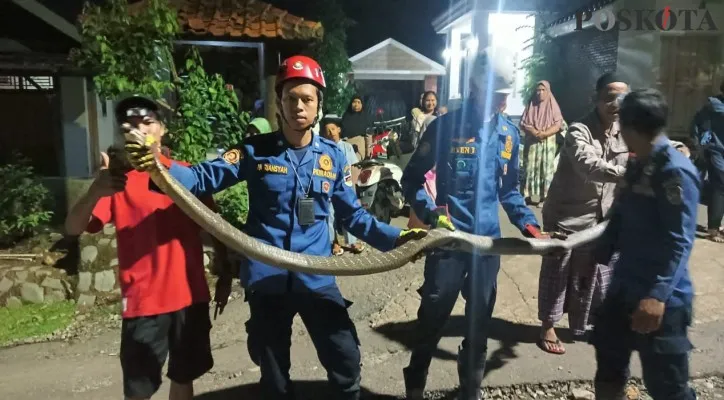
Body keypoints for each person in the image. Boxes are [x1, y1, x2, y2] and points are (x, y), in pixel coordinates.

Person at [123, 55, 426, 400]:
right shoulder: (255, 151)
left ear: (318, 106)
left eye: (307, 99)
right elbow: (201, 178)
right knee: (274, 377)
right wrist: (158, 165)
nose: (298, 105)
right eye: (290, 97)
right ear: (280, 103)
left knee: (345, 360)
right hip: (267, 277)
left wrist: (401, 240)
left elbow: (355, 218)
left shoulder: (334, 157)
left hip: (316, 274)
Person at [400, 47, 547, 400]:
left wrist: (528, 224)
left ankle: (471, 388)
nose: (500, 102)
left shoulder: (509, 135)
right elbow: (411, 180)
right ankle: (416, 379)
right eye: (495, 94)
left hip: (488, 247)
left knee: (480, 321)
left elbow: (510, 192)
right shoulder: (445, 127)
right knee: (433, 315)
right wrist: (432, 213)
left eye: (504, 95)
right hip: (449, 244)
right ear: (475, 87)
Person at [65, 95, 221, 400]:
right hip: (143, 305)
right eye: (131, 126)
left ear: (162, 130)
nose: (139, 130)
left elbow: (214, 226)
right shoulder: (116, 181)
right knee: (138, 391)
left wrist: (225, 270)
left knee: (184, 377)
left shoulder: (186, 174)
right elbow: (72, 228)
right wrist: (95, 190)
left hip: (191, 298)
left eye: (147, 122)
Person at [591, 88, 697, 400]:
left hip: (660, 298)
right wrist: (597, 252)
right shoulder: (639, 165)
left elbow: (680, 241)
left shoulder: (674, 171)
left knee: (667, 386)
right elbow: (620, 217)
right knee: (609, 368)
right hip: (623, 288)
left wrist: (657, 296)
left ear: (629, 126)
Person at [536, 73, 630, 354]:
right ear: (596, 99)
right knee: (558, 271)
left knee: (593, 272)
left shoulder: (628, 129)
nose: (615, 104)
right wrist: (632, 175)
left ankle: (584, 324)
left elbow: (656, 145)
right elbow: (588, 164)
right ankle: (548, 326)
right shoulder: (579, 130)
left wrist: (678, 150)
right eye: (609, 97)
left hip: (601, 219)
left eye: (622, 98)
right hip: (567, 216)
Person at [321, 113, 365, 255]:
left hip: (345, 185)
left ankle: (351, 241)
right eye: (327, 130)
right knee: (330, 215)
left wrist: (353, 187)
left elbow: (352, 167)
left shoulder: (347, 147)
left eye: (333, 129)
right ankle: (333, 243)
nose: (331, 132)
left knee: (348, 211)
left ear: (339, 130)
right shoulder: (323, 148)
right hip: (328, 185)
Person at [519, 80, 566, 207]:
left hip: (548, 142)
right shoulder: (531, 104)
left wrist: (544, 134)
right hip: (532, 142)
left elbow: (558, 124)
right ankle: (526, 195)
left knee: (546, 170)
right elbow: (523, 123)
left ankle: (544, 198)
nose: (540, 93)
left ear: (548, 91)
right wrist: (534, 132)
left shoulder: (553, 106)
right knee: (529, 169)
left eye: (543, 90)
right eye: (538, 90)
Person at [691, 81, 724, 242]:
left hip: (713, 150)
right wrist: (701, 147)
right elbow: (699, 126)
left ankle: (716, 225)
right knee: (720, 188)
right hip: (716, 151)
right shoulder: (713, 107)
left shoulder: (711, 105)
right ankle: (713, 228)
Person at [342, 94, 373, 161]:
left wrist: (368, 154)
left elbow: (368, 137)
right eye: (354, 102)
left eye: (359, 102)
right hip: (345, 147)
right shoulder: (346, 116)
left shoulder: (365, 118)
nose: (356, 105)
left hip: (359, 149)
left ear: (362, 105)